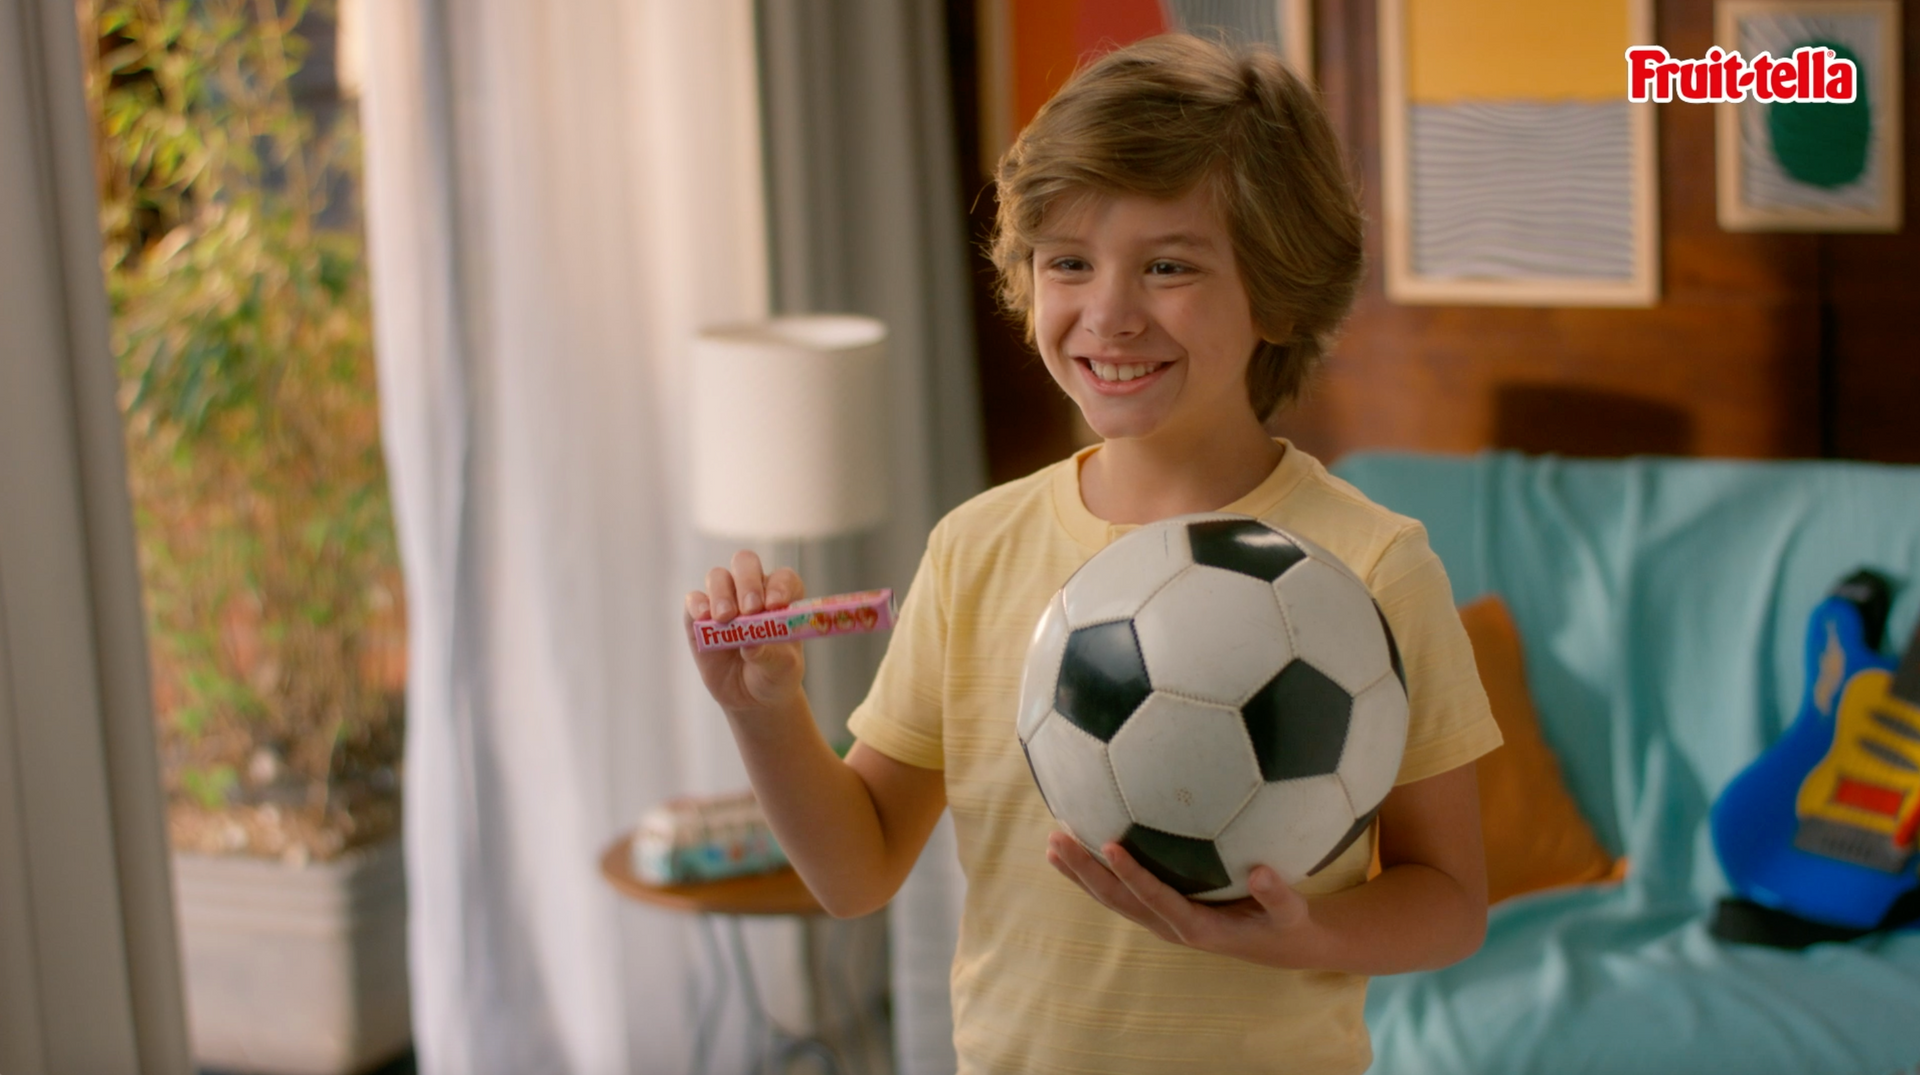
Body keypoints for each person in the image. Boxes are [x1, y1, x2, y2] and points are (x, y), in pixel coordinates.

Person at [684, 33, 1502, 1074]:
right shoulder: (976, 549)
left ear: (1282, 292)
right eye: (1068, 261)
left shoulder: (1375, 566)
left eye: (1169, 265)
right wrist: (761, 713)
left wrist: (1302, 935)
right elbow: (855, 875)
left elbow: (1452, 902)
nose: (1108, 312)